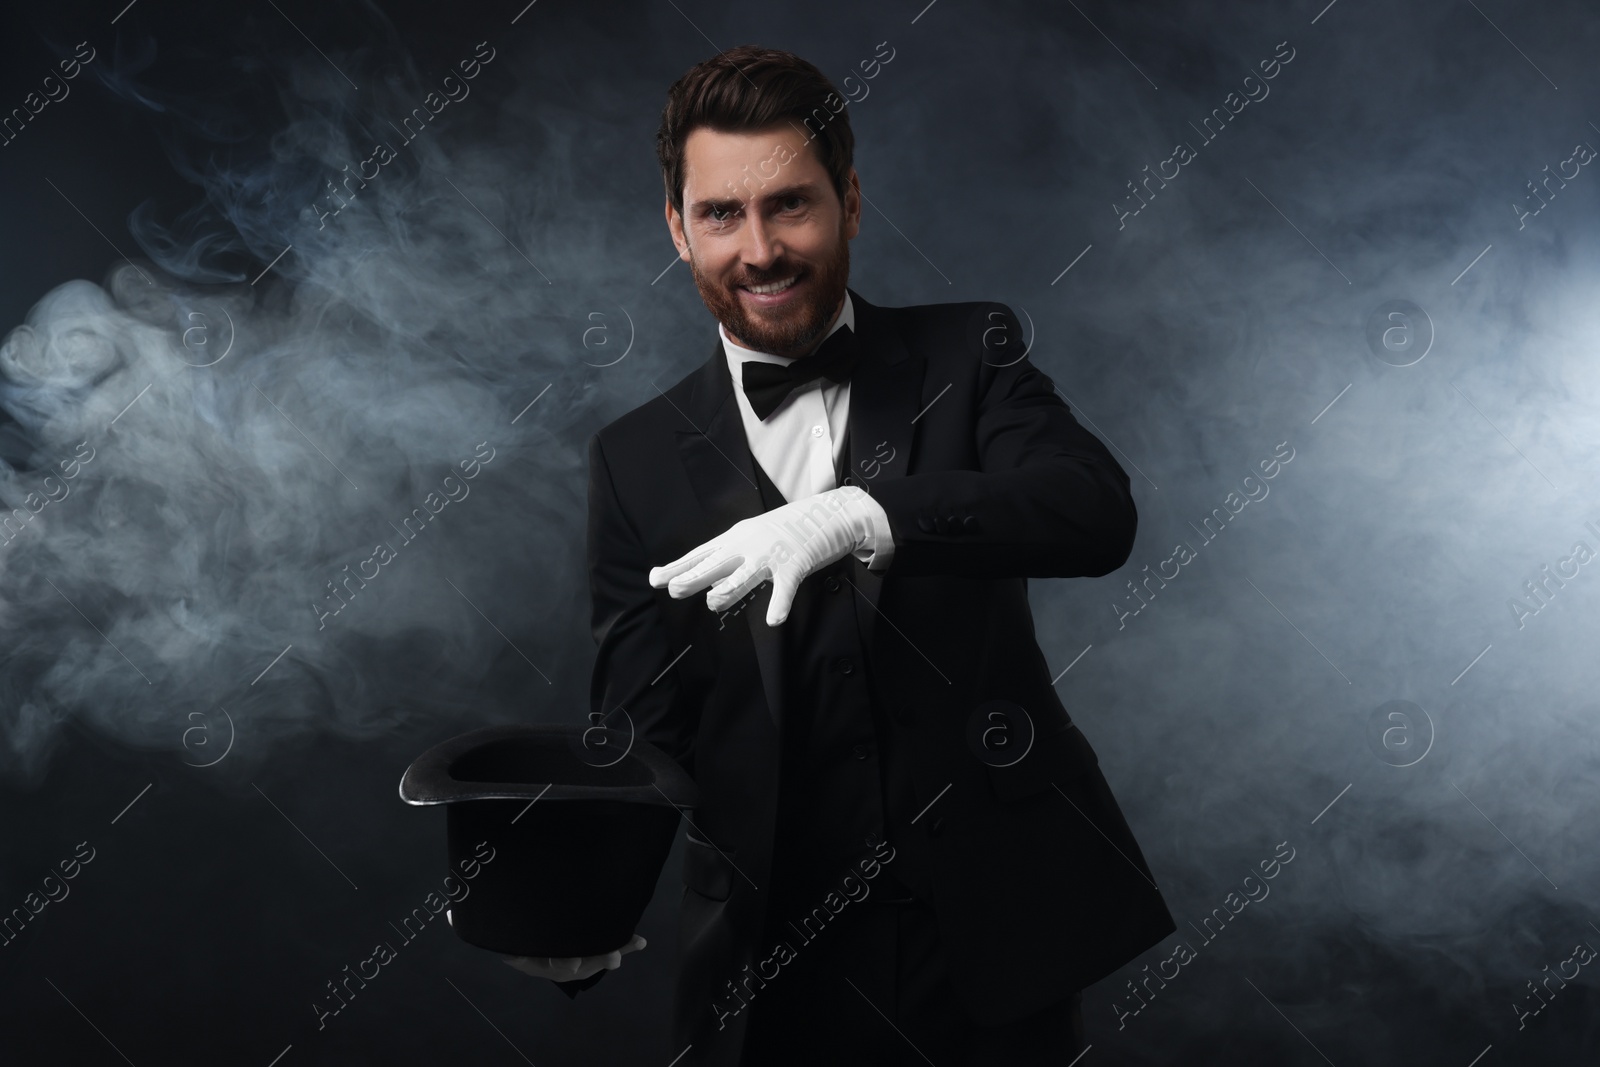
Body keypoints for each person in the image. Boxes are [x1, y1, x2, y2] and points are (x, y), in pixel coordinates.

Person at [505, 44, 1175, 1066]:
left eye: (792, 205)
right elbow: (646, 722)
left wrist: (862, 512)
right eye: (723, 214)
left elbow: (1092, 513)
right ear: (677, 229)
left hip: (991, 943)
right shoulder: (630, 458)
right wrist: (580, 907)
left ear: (850, 201)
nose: (762, 248)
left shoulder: (969, 352)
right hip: (772, 960)